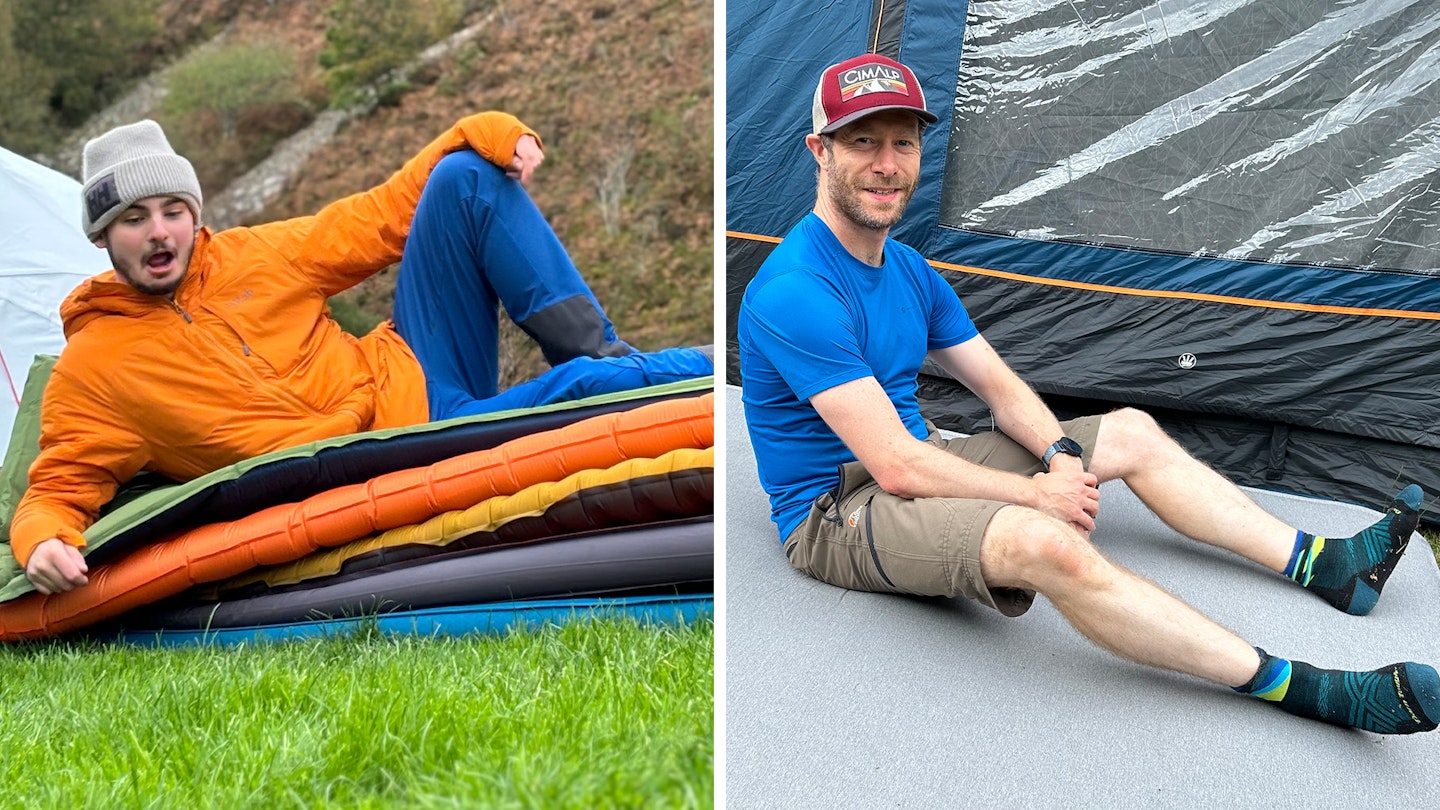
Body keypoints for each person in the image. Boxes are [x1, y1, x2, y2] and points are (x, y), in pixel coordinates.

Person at [737, 53, 1437, 735]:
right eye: (862, 142)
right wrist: (1037, 495)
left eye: (901, 142)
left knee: (1128, 429)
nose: (886, 164)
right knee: (1049, 544)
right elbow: (894, 466)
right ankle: (1302, 686)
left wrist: (1061, 452)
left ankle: (1327, 566)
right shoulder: (797, 289)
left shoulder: (910, 270)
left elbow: (999, 385)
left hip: (920, 458)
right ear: (819, 152)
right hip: (838, 508)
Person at [15, 112, 711, 595]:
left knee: (465, 178)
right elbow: (56, 487)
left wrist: (488, 132)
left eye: (172, 210)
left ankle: (618, 362)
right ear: (104, 237)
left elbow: (380, 215)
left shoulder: (255, 256)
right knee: (583, 389)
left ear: (195, 212)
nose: (159, 233)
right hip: (390, 451)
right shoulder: (96, 368)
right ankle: (708, 377)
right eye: (133, 219)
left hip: (413, 365)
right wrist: (44, 541)